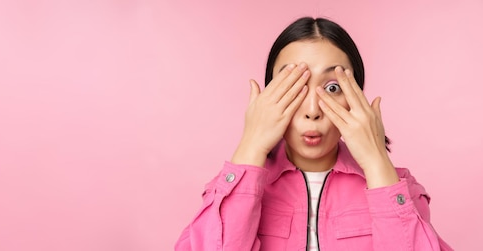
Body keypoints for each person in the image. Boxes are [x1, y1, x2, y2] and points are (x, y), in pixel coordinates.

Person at [174, 17, 453, 251]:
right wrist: (252, 145)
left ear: (355, 97)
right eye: (294, 86)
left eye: (332, 88)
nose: (312, 110)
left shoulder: (396, 186)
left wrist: (377, 162)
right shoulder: (235, 190)